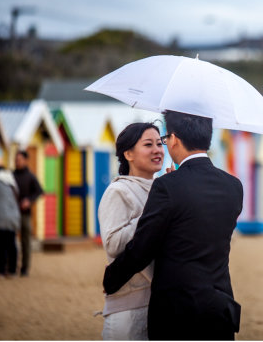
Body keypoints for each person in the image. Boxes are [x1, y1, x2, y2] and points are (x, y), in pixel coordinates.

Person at [103, 110, 243, 341]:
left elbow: (142, 249)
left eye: (164, 140)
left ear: (174, 139)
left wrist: (112, 278)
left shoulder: (168, 187)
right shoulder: (233, 186)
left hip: (177, 310)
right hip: (219, 306)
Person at [98, 122, 165, 340]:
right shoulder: (118, 191)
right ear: (128, 153)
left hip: (160, 303)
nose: (157, 150)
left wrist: (174, 192)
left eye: (159, 143)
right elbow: (113, 244)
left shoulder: (162, 190)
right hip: (128, 307)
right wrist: (155, 210)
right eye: (148, 144)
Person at [13, 150, 43, 277]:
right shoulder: (11, 175)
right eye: (16, 159)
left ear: (25, 160)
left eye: (19, 159)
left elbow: (39, 191)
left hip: (25, 214)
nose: (17, 162)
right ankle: (12, 267)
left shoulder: (30, 176)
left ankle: (25, 269)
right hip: (12, 214)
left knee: (26, 242)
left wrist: (29, 200)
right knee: (11, 242)